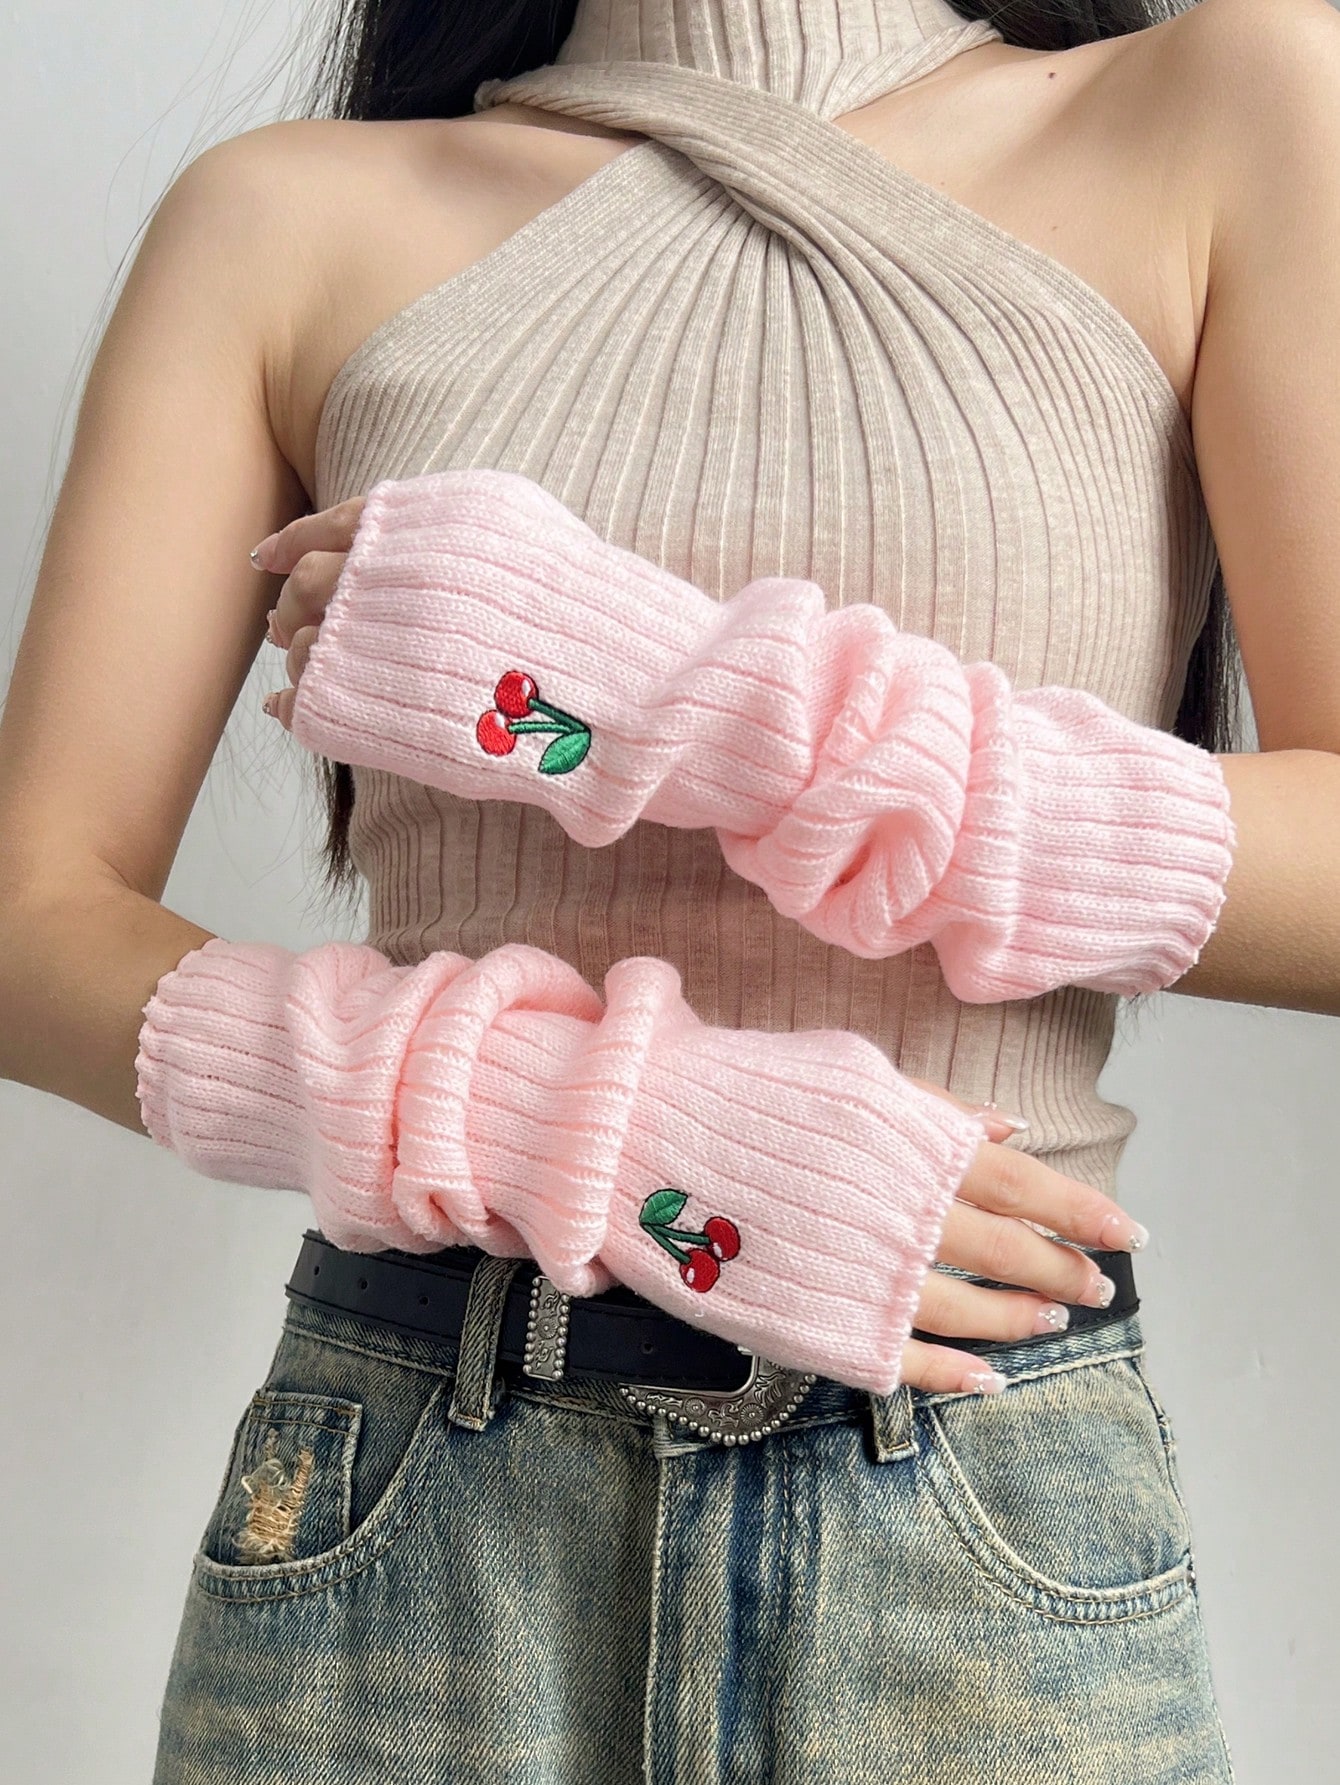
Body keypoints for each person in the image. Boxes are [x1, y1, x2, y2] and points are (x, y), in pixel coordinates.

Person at [6, 0, 1339, 1775]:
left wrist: (670, 705)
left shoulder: (1228, 104)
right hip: (414, 1508)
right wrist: (592, 1124)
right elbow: (30, 920)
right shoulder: (280, 219)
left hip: (972, 1509)